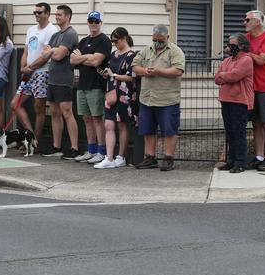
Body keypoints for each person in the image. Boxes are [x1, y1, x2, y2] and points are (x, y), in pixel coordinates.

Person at [131, 24, 185, 172]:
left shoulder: (175, 51)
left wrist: (159, 71)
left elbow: (178, 70)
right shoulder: (146, 50)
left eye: (160, 40)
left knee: (169, 130)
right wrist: (144, 71)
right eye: (155, 40)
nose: (157, 43)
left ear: (167, 37)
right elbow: (134, 65)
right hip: (147, 98)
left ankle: (168, 159)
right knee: (148, 130)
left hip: (167, 99)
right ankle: (150, 158)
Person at [10, 2, 58, 140]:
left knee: (39, 108)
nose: (36, 15)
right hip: (28, 73)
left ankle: (36, 140)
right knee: (15, 104)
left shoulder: (51, 31)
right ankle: (30, 135)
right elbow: (26, 51)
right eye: (35, 12)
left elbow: (46, 56)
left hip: (42, 72)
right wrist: (22, 67)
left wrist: (30, 68)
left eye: (39, 12)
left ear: (47, 14)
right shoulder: (31, 30)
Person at [70, 11, 111, 165]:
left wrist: (84, 58)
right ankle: (91, 149)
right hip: (82, 84)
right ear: (87, 22)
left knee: (97, 118)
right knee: (86, 119)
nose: (93, 24)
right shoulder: (84, 40)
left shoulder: (104, 41)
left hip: (96, 85)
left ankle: (101, 151)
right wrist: (88, 57)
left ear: (100, 23)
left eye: (96, 21)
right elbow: (72, 60)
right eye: (91, 21)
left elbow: (96, 62)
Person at [40, 4, 80, 160]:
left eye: (59, 15)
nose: (56, 17)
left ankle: (74, 147)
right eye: (56, 14)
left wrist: (52, 51)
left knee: (67, 112)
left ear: (68, 17)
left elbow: (58, 55)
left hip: (64, 79)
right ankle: (57, 146)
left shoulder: (70, 34)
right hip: (53, 78)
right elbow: (45, 54)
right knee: (55, 113)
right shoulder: (55, 35)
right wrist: (52, 51)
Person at [95, 27, 138, 169]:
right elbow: (110, 71)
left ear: (124, 38)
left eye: (116, 40)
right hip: (111, 92)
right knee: (108, 124)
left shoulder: (131, 55)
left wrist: (114, 75)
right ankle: (109, 157)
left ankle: (121, 156)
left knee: (122, 125)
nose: (114, 43)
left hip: (124, 94)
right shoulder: (114, 54)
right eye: (112, 41)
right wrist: (106, 74)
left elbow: (131, 77)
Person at [214, 34, 254, 173]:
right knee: (229, 131)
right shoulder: (227, 60)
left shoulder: (247, 60)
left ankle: (240, 162)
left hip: (240, 101)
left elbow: (234, 76)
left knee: (239, 132)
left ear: (242, 46)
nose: (229, 48)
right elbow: (216, 78)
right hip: (226, 100)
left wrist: (225, 75)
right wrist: (226, 75)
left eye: (232, 45)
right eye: (228, 45)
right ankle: (231, 161)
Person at [244, 10, 265, 171]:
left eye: (247, 19)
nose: (245, 22)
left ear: (257, 22)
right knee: (256, 123)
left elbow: (262, 60)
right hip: (251, 87)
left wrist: (247, 53)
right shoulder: (248, 38)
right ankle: (258, 156)